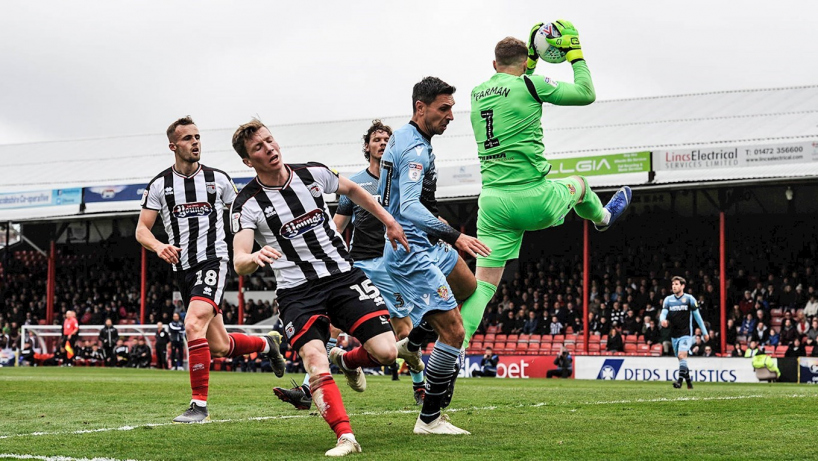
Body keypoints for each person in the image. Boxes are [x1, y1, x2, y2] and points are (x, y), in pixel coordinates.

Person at [230, 119, 407, 456]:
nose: (268, 148)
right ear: (248, 161)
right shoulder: (246, 204)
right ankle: (345, 437)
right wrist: (254, 256)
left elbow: (354, 190)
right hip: (298, 292)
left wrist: (389, 221)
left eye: (269, 141)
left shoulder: (312, 173)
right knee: (314, 358)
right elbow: (239, 260)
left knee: (387, 352)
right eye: (258, 148)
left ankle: (349, 360)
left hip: (343, 276)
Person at [274, 120, 477, 409]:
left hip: (391, 263)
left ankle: (419, 385)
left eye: (387, 139)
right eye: (377, 139)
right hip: (360, 264)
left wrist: (446, 232)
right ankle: (309, 389)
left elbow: (423, 213)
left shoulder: (405, 179)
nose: (382, 143)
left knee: (404, 331)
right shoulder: (356, 184)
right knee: (331, 327)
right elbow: (337, 225)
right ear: (367, 146)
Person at [460, 24, 632, 352]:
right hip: (533, 198)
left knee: (483, 286)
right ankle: (603, 219)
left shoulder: (477, 91)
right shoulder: (531, 83)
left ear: (494, 65)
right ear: (526, 63)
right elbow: (586, 93)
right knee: (579, 184)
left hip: (493, 203)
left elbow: (515, 88)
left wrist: (530, 65)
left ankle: (451, 353)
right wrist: (575, 54)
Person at [136, 116, 285, 423]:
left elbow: (245, 211)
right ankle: (266, 344)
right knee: (219, 345)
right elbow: (142, 230)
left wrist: (259, 244)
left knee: (192, 324)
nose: (195, 143)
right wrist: (158, 246)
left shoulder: (217, 180)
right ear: (173, 146)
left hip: (213, 262)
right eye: (188, 138)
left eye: (198, 137)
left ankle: (198, 406)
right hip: (184, 271)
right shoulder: (160, 185)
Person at [377, 77, 490, 436]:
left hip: (425, 241)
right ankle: (429, 418)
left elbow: (411, 201)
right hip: (411, 251)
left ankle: (412, 343)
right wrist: (455, 234)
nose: (451, 116)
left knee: (467, 284)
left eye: (452, 108)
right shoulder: (414, 149)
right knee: (454, 333)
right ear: (420, 108)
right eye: (444, 108)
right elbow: (408, 206)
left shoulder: (409, 137)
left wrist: (446, 232)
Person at [661, 276, 709, 389]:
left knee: (681, 355)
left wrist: (705, 332)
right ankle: (689, 383)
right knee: (681, 359)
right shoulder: (668, 300)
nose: (674, 286)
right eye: (673, 284)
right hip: (674, 335)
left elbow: (698, 318)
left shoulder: (689, 299)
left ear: (683, 286)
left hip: (686, 334)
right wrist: (662, 320)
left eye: (677, 284)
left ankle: (679, 382)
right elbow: (663, 313)